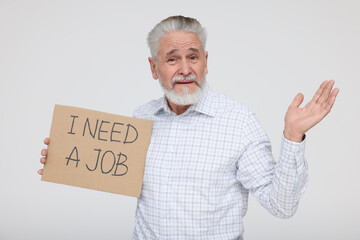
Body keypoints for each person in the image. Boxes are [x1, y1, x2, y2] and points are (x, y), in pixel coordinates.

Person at [38, 16, 339, 239]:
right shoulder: (140, 119)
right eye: (172, 59)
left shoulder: (239, 122)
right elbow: (114, 170)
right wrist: (66, 156)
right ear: (154, 67)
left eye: (192, 57)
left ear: (205, 62)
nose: (185, 69)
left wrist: (292, 136)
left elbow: (282, 206)